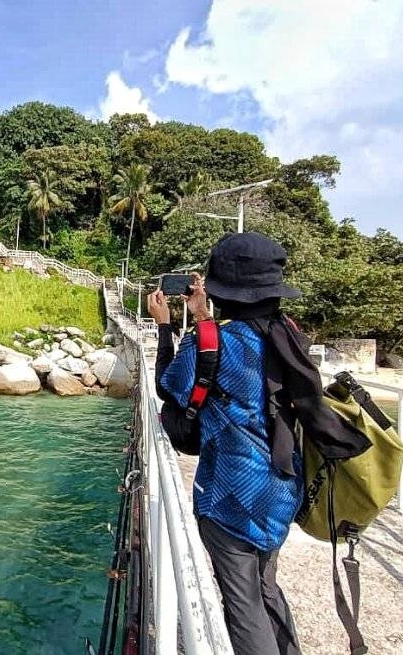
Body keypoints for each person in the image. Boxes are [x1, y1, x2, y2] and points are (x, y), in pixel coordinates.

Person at [147, 232, 304, 655]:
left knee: (243, 604)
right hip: (283, 483)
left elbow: (168, 384)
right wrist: (202, 316)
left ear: (216, 289)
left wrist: (166, 326)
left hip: (231, 494)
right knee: (266, 585)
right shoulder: (287, 333)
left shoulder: (211, 340)